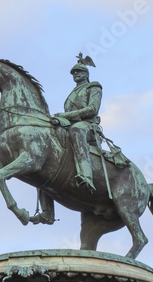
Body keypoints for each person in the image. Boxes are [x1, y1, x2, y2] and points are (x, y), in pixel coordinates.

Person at [52, 53, 102, 193]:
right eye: (73, 73)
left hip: (88, 127)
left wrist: (66, 115)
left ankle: (86, 175)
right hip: (71, 124)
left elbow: (92, 109)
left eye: (78, 72)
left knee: (76, 130)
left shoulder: (94, 87)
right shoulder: (71, 94)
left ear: (86, 74)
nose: (75, 75)